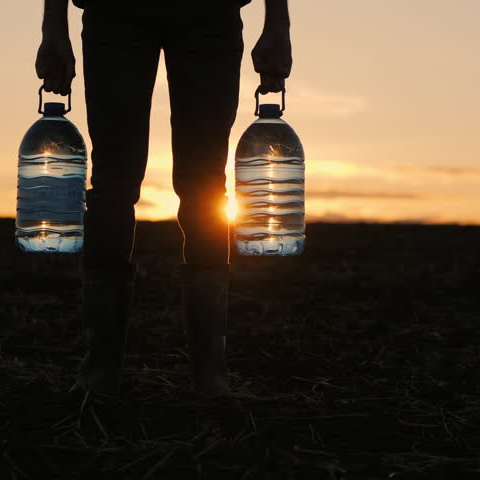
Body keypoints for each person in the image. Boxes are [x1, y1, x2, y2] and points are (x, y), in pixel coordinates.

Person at [35, 0, 292, 396]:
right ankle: (101, 368)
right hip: (115, 14)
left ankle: (209, 372)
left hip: (210, 14)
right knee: (113, 183)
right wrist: (53, 27)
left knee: (203, 184)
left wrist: (278, 21)